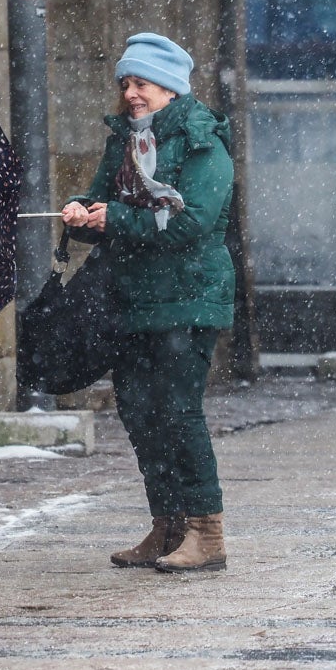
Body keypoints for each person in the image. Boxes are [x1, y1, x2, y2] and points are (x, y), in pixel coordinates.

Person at [62, 32, 235, 574]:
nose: (132, 93)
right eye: (127, 83)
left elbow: (191, 221)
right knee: (140, 414)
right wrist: (83, 212)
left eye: (143, 83)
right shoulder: (124, 142)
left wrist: (118, 218)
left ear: (170, 89)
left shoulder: (202, 140)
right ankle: (167, 524)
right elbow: (104, 204)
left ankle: (207, 533)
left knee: (179, 412)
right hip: (131, 299)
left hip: (188, 297)